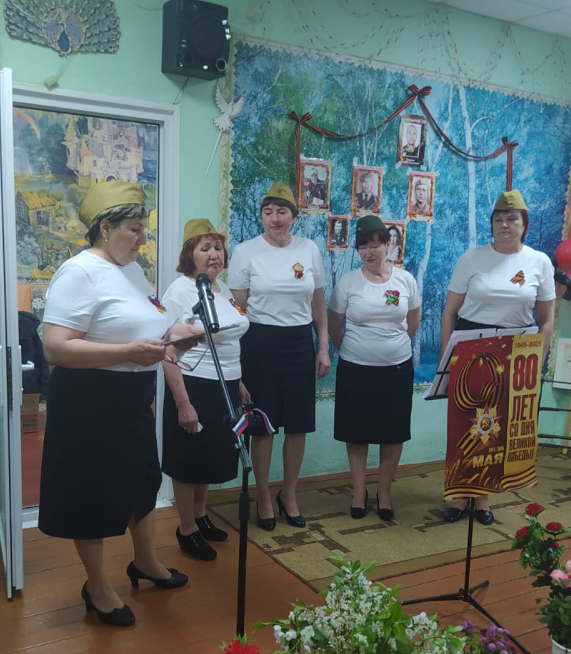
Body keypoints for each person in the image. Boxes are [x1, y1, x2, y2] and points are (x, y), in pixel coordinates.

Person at [38, 180, 201, 627]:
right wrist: (128, 352)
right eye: (135, 229)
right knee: (93, 492)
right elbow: (56, 347)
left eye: (144, 229)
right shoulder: (79, 272)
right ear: (105, 228)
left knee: (141, 481)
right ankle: (97, 586)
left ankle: (145, 562)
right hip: (88, 401)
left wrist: (172, 338)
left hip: (132, 398)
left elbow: (137, 328)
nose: (143, 239)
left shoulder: (131, 271)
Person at [439, 189, 555, 526]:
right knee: (465, 424)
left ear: (524, 224)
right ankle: (459, 495)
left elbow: (546, 320)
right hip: (470, 348)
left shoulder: (539, 262)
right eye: (499, 219)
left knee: (496, 428)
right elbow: (450, 313)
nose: (505, 225)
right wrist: (448, 361)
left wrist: (536, 362)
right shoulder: (472, 258)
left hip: (515, 352)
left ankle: (484, 497)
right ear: (491, 225)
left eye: (512, 219)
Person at [230, 183, 330, 530]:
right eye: (268, 212)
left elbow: (318, 303)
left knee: (298, 425)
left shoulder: (309, 249)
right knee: (264, 427)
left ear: (293, 216)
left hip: (299, 343)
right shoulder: (245, 252)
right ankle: (263, 496)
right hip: (259, 344)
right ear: (262, 215)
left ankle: (289, 494)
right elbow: (237, 309)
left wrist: (323, 346)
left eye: (282, 212)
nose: (275, 218)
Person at [161, 219, 251, 561]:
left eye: (218, 247)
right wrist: (183, 404)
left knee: (209, 456)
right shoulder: (180, 291)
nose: (215, 254)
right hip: (193, 384)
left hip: (225, 385)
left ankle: (200, 517)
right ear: (190, 255)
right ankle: (186, 529)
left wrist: (237, 381)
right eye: (205, 248)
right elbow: (167, 353)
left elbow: (226, 340)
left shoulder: (222, 288)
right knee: (189, 459)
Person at [328, 215, 421, 522]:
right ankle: (359, 492)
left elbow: (413, 321)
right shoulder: (348, 283)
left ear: (387, 244)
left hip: (396, 370)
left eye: (374, 245)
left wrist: (393, 346)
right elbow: (334, 326)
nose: (368, 253)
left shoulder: (405, 280)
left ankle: (384, 492)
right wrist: (355, 349)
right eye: (362, 247)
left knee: (392, 433)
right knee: (356, 433)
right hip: (356, 370)